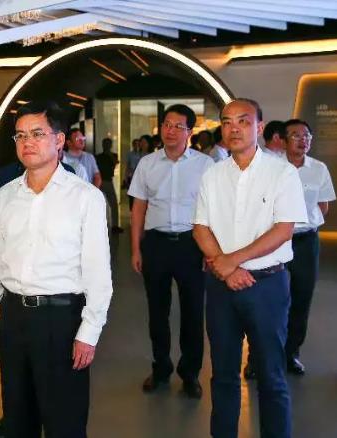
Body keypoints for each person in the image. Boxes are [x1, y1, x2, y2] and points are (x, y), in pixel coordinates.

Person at [0, 100, 113, 438]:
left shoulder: (85, 197)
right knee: (17, 419)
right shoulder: (5, 196)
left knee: (64, 423)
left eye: (37, 134)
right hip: (13, 318)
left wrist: (88, 332)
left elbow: (98, 274)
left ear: (59, 140)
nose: (27, 142)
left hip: (61, 320)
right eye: (20, 135)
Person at [193, 98, 306, 438]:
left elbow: (283, 230)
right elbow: (200, 228)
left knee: (271, 376)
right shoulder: (212, 175)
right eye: (227, 122)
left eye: (243, 121)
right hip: (220, 287)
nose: (234, 128)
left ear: (259, 127)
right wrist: (227, 268)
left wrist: (232, 260)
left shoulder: (282, 173)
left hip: (267, 286)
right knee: (223, 375)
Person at [128, 104, 213, 399]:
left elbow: (213, 210)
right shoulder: (147, 164)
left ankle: (190, 374)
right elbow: (138, 208)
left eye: (178, 126)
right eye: (166, 124)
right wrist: (136, 248)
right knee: (157, 311)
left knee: (193, 312)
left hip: (193, 245)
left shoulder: (205, 165)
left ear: (190, 131)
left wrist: (211, 251)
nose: (171, 131)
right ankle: (161, 368)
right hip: (156, 244)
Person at [282, 119, 335, 374]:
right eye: (295, 135)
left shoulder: (319, 169)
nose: (303, 140)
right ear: (283, 140)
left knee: (301, 299)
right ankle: (258, 359)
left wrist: (306, 224)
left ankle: (291, 354)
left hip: (305, 242)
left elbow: (323, 206)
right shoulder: (272, 168)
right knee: (270, 300)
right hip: (275, 242)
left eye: (306, 136)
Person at [96, 137, 123, 233]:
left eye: (108, 144)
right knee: (100, 204)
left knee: (113, 204)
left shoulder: (113, 155)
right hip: (101, 181)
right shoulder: (98, 156)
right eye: (105, 144)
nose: (106, 146)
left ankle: (114, 225)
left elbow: (115, 163)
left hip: (108, 180)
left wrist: (109, 155)